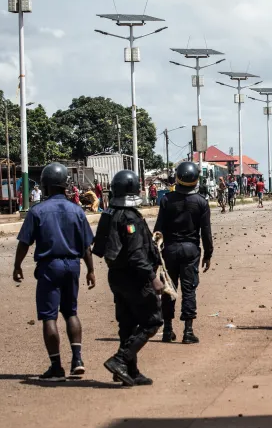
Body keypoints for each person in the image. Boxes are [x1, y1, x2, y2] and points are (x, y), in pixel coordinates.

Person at [14, 163, 96, 381]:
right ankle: (77, 359)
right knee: (71, 312)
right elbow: (86, 246)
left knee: (49, 317)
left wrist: (17, 266)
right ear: (65, 185)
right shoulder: (77, 210)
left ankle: (56, 366)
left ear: (45, 186)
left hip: (49, 267)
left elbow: (24, 242)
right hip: (72, 265)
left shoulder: (37, 211)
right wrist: (90, 270)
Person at [92, 170, 162, 386]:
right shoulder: (130, 217)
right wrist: (153, 278)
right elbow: (136, 254)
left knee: (128, 324)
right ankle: (120, 360)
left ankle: (130, 371)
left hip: (117, 276)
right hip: (134, 277)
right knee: (153, 320)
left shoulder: (109, 214)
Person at [154, 162, 213, 344]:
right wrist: (208, 254)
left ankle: (167, 330)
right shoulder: (202, 202)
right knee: (189, 290)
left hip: (169, 250)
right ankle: (188, 332)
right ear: (196, 179)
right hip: (191, 250)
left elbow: (158, 231)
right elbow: (206, 232)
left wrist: (156, 255)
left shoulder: (166, 200)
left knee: (169, 290)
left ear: (177, 178)